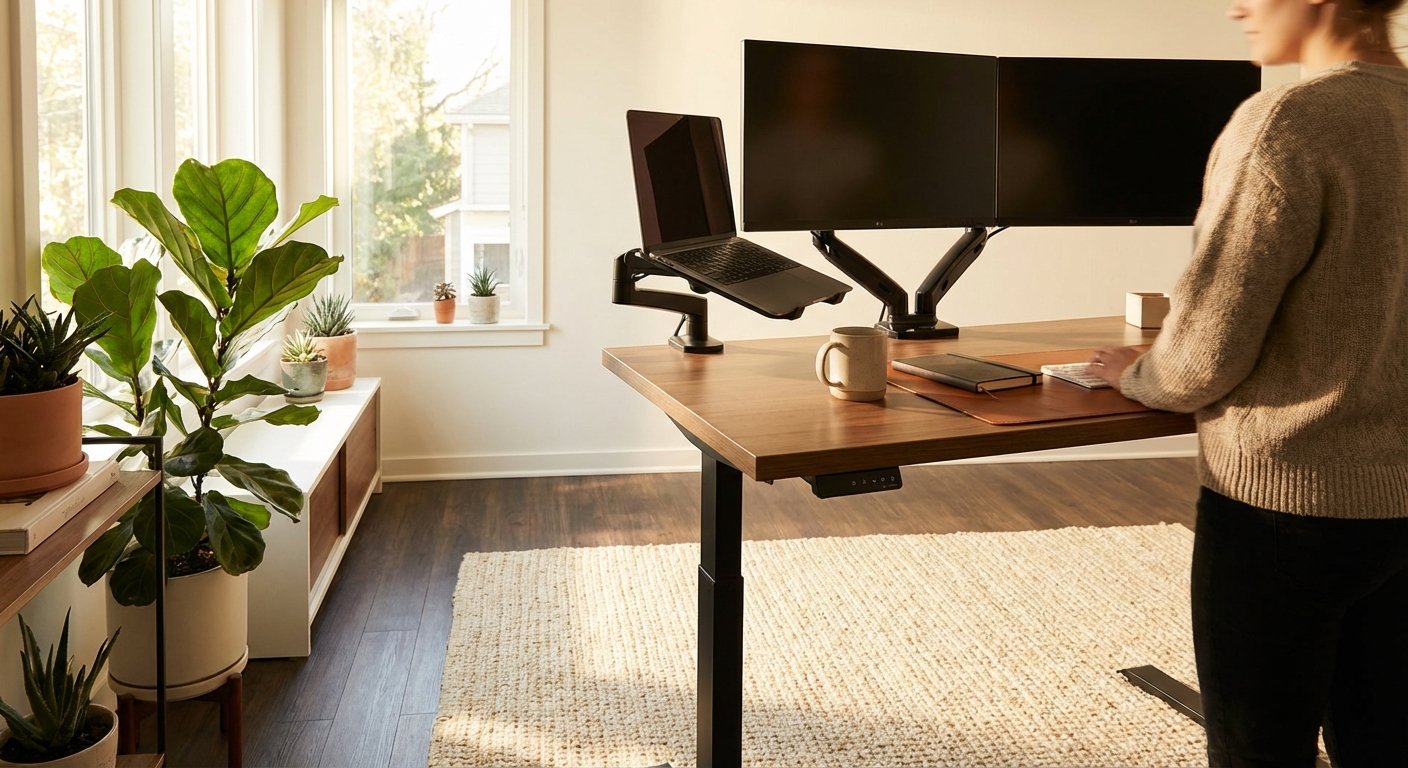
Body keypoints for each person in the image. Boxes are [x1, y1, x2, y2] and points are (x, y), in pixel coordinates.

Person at [1088, 1, 1408, 765]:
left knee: (1259, 750)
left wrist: (1135, 374)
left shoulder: (1287, 122)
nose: (1238, 4)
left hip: (1286, 506)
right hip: (1402, 500)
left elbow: (1202, 359)